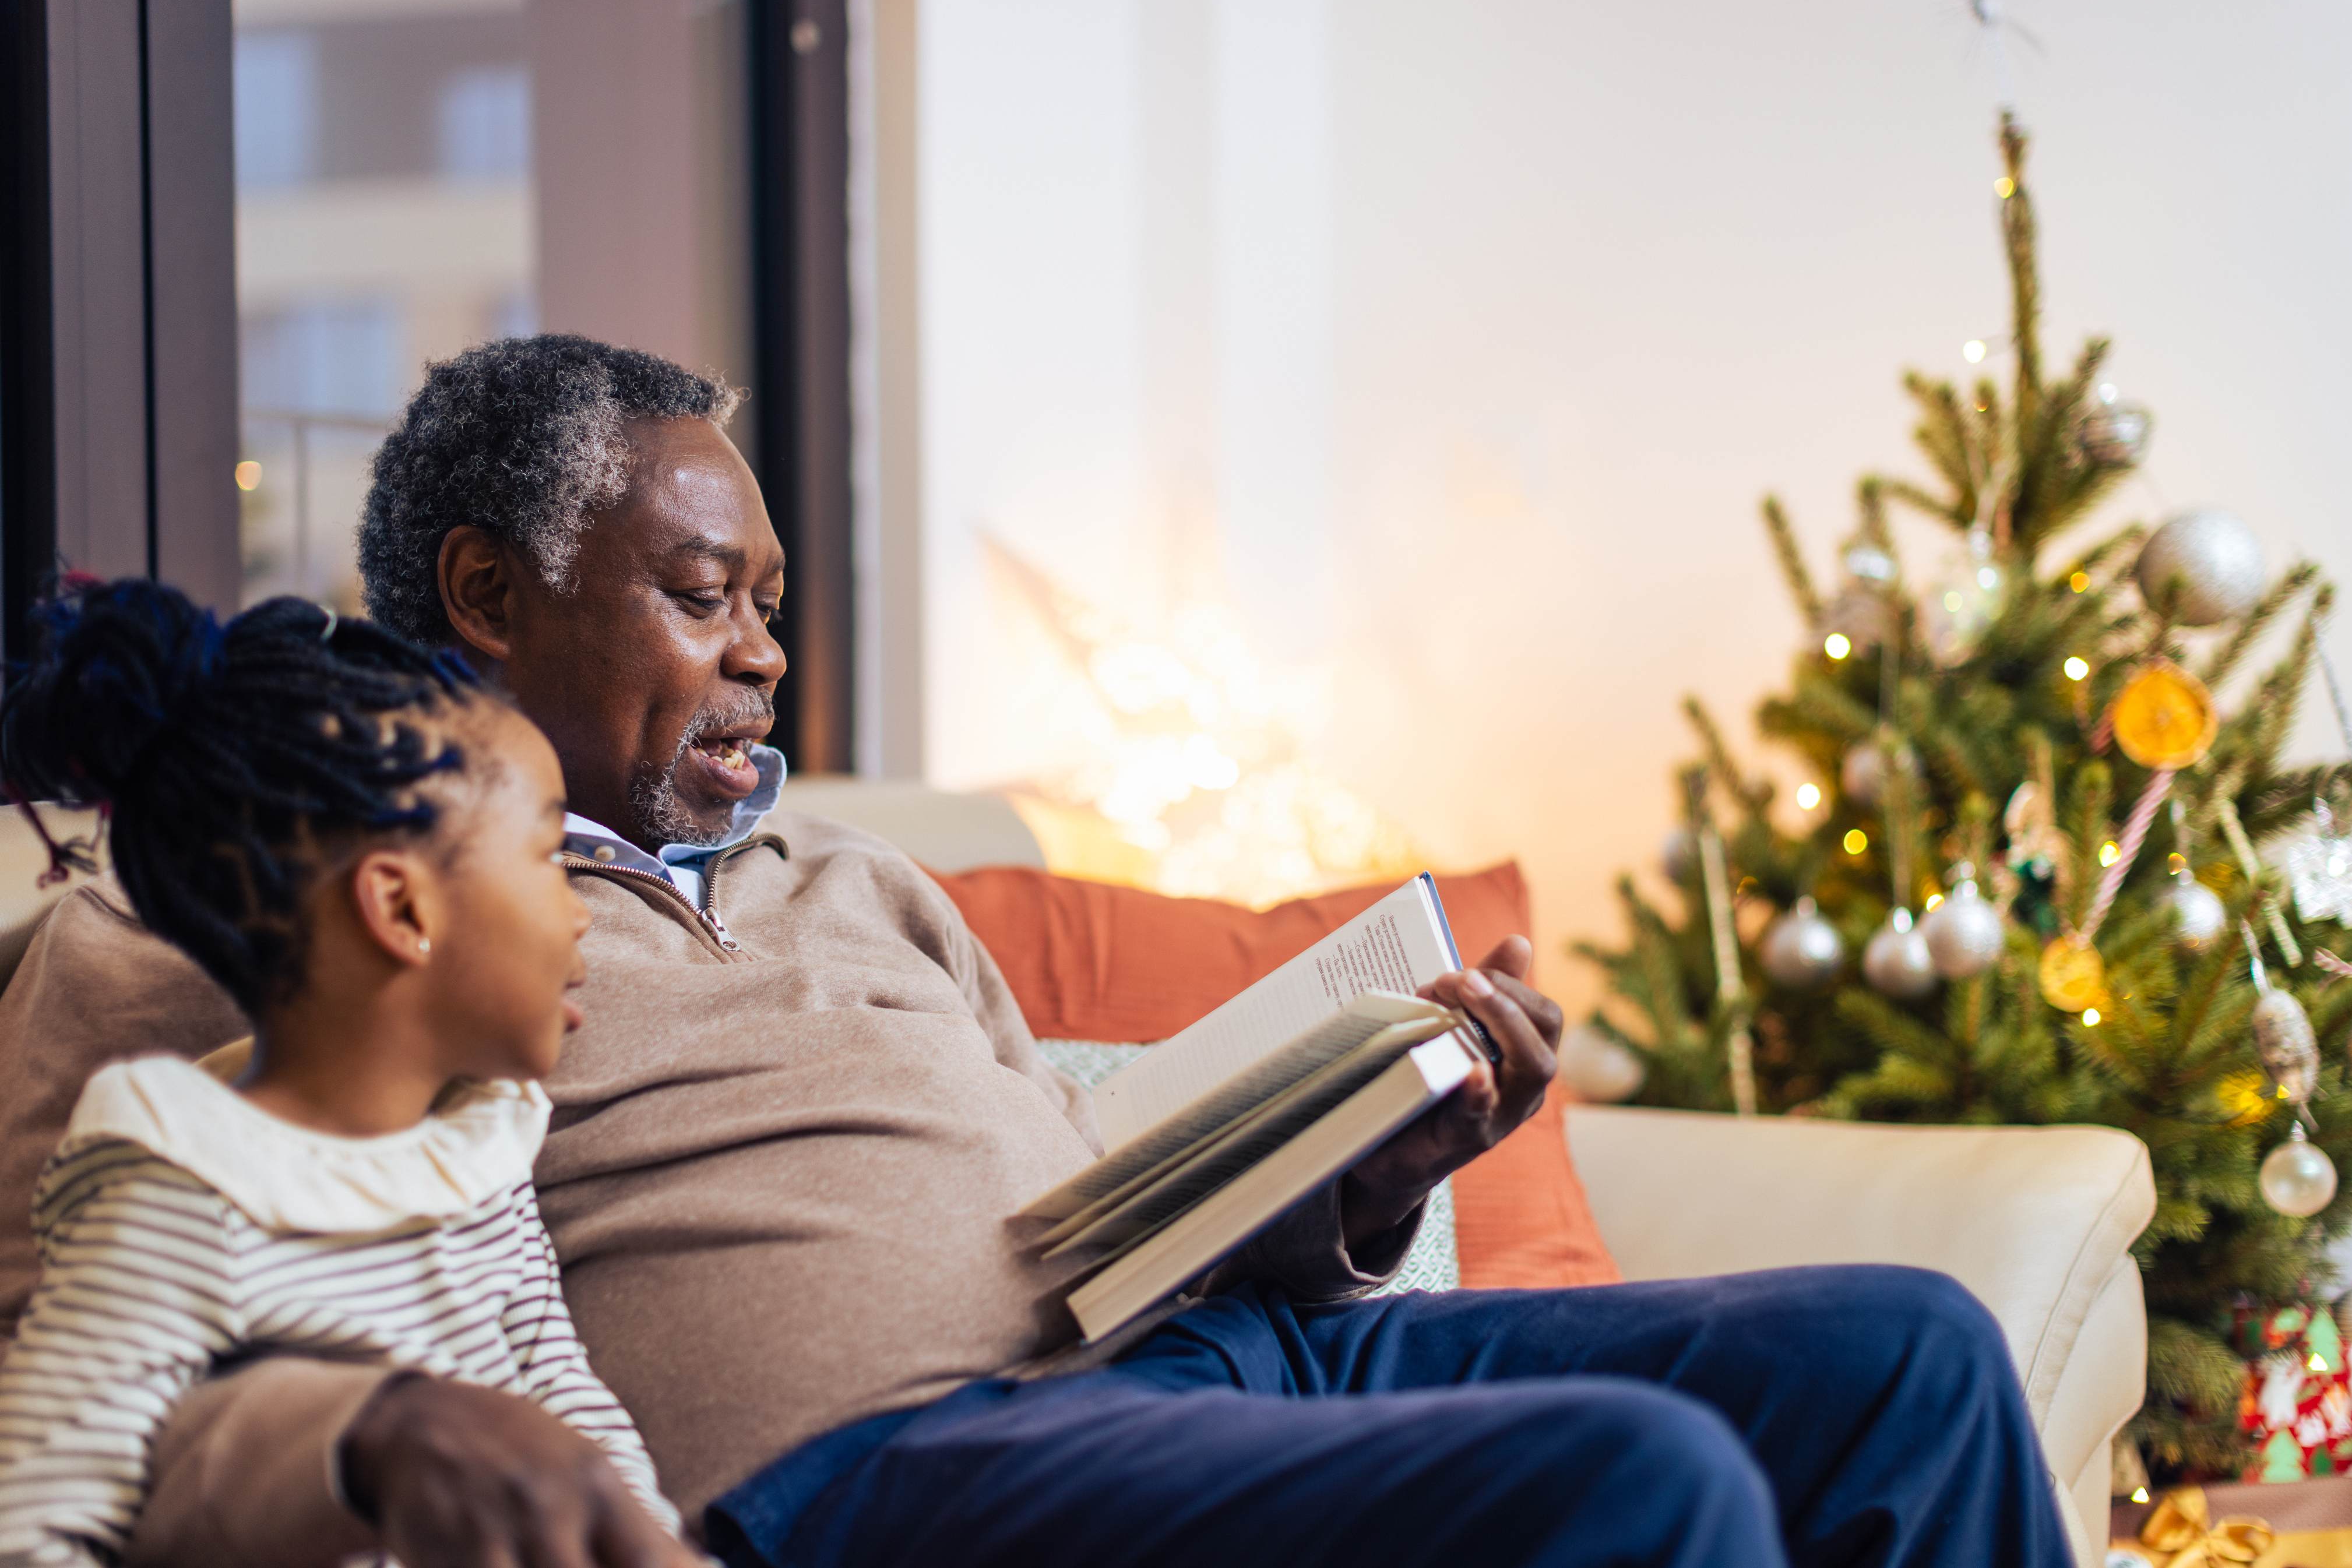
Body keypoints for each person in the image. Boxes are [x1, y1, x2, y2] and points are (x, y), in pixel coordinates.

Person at [0, 337, 2071, 1567]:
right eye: (706, 596)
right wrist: (354, 1436)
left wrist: (1345, 1194)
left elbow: (1095, 1229)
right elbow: (71, 1367)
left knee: (1902, 1357)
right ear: (486, 591)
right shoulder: (294, 882)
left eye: (773, 601)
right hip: (881, 1468)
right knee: (1639, 1483)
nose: (765, 655)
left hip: (1204, 1362)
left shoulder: (856, 888)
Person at [0, 582, 700, 1567]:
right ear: (403, 911)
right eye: (548, 854)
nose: (583, 908)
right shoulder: (179, 1191)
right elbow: (42, 1524)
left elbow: (566, 1403)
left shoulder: (479, 1148)